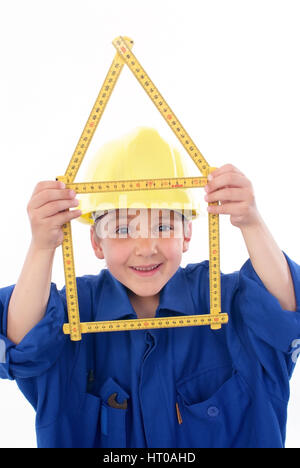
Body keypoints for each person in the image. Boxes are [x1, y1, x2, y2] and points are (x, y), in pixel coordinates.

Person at [0, 126, 299, 448]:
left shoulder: (225, 302)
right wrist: (42, 246)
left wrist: (252, 222)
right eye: (123, 228)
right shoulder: (75, 310)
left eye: (163, 226)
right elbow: (21, 347)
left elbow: (285, 316)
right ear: (96, 243)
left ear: (186, 236)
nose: (146, 247)